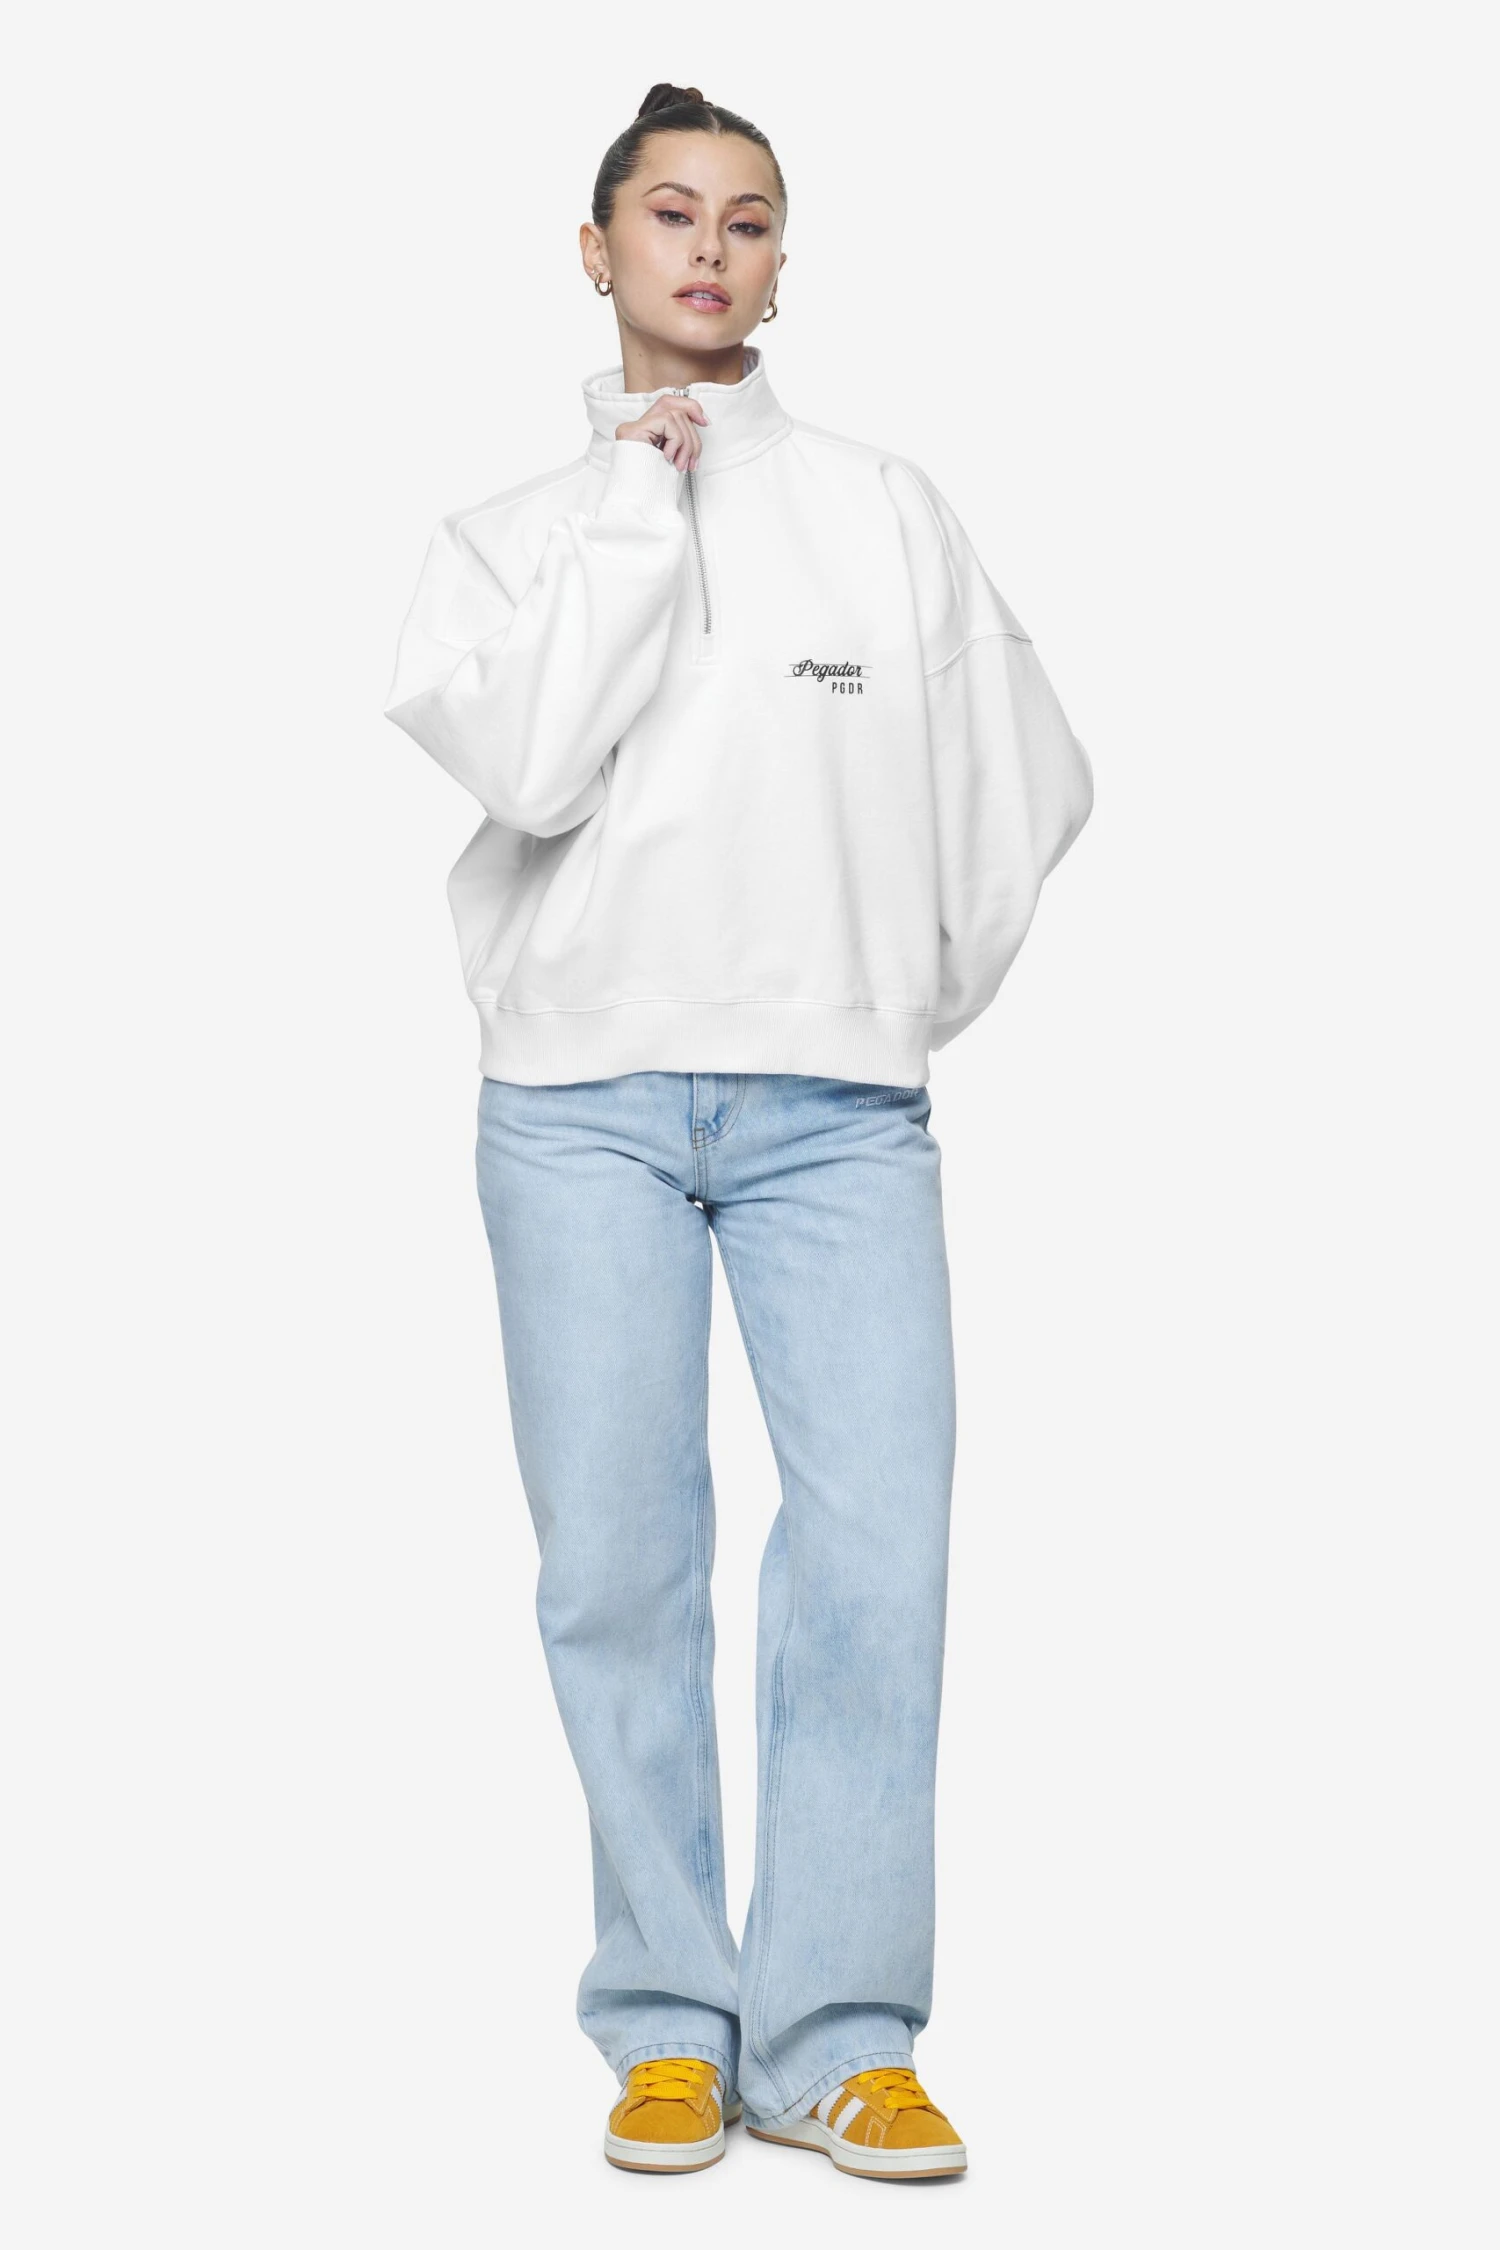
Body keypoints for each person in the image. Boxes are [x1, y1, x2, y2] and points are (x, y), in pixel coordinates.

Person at [383, 81, 1093, 2183]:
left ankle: (841, 2033)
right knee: (619, 1565)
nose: (712, 248)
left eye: (752, 220)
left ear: (784, 267)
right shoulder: (506, 539)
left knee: (878, 1556)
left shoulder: (883, 507)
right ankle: (671, 2020)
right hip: (576, 1107)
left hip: (839, 1116)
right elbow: (532, 768)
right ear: (595, 249)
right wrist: (637, 490)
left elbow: (1030, 780)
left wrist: (892, 996)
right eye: (674, 213)